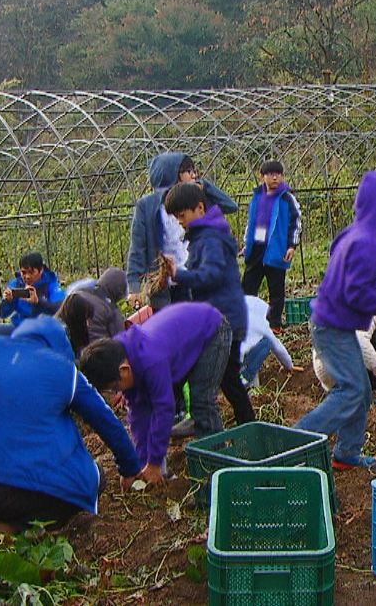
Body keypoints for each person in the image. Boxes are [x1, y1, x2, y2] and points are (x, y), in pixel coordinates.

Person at [0, 316, 146, 530]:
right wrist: (130, 467)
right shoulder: (61, 368)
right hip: (19, 492)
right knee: (94, 478)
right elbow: (106, 421)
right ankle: (16, 527)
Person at [296, 171, 376, 470]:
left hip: (334, 323)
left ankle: (346, 453)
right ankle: (298, 440)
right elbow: (357, 293)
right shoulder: (367, 243)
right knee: (351, 389)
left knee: (360, 389)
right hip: (332, 327)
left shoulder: (356, 234)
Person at [77, 302, 227, 481]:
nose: (117, 392)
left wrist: (154, 463)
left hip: (213, 329)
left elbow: (164, 408)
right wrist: (139, 466)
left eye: (114, 387)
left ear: (124, 371)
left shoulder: (150, 360)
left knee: (202, 404)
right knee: (153, 403)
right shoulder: (119, 355)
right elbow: (139, 414)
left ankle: (219, 473)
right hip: (183, 337)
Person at [164, 182, 255, 428]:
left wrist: (179, 275)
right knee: (228, 379)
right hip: (222, 316)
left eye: (182, 216)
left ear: (199, 208)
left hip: (226, 318)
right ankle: (241, 422)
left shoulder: (210, 239)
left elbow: (211, 275)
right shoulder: (204, 236)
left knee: (227, 379)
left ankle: (242, 425)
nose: (180, 222)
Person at [125, 152, 237, 310]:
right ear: (172, 174)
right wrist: (134, 287)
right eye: (188, 171)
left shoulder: (196, 199)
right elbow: (138, 249)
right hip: (165, 286)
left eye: (194, 170)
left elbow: (231, 206)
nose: (194, 174)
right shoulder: (147, 207)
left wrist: (206, 186)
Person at [241, 160, 302, 329]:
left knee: (276, 289)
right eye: (270, 174)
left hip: (276, 250)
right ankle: (246, 321)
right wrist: (247, 243)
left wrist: (292, 245)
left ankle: (274, 323)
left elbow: (296, 221)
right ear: (262, 177)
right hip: (257, 248)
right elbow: (251, 222)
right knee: (248, 285)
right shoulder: (257, 197)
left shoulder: (286, 198)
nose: (275, 177)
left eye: (278, 174)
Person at [56, 267, 127, 352]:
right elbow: (121, 342)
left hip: (69, 349)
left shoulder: (78, 292)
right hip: (98, 356)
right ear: (119, 293)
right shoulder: (112, 312)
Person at [239, 295, 301, 388]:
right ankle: (245, 379)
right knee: (266, 342)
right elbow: (278, 347)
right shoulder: (261, 323)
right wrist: (289, 365)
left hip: (222, 353)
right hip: (239, 359)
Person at [0, 252, 66, 330]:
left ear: (41, 271)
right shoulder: (17, 284)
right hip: (19, 328)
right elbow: (2, 314)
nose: (27, 277)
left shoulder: (51, 285)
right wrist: (8, 301)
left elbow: (60, 310)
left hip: (43, 330)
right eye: (23, 272)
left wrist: (38, 303)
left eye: (31, 272)